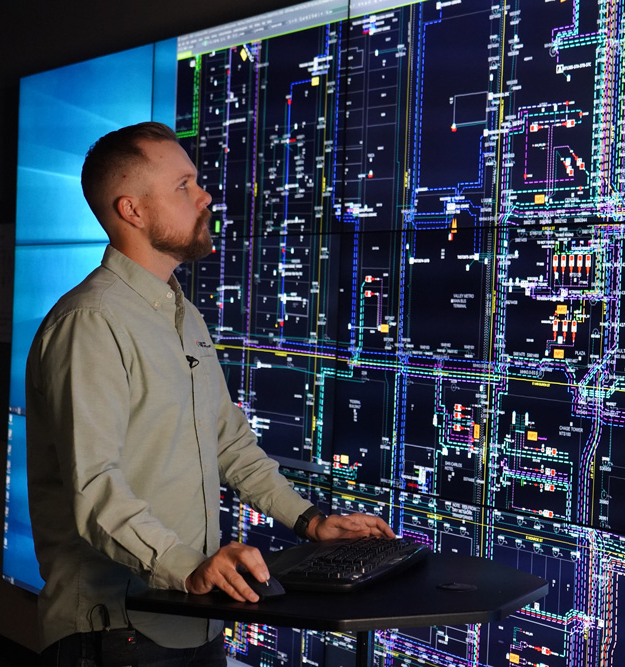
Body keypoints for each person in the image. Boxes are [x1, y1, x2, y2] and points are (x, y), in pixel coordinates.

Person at [26, 121, 394, 666]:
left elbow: (230, 446)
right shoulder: (90, 323)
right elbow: (95, 486)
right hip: (115, 633)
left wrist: (310, 520)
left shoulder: (183, 316)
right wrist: (185, 565)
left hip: (191, 619)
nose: (206, 195)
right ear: (131, 210)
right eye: (184, 185)